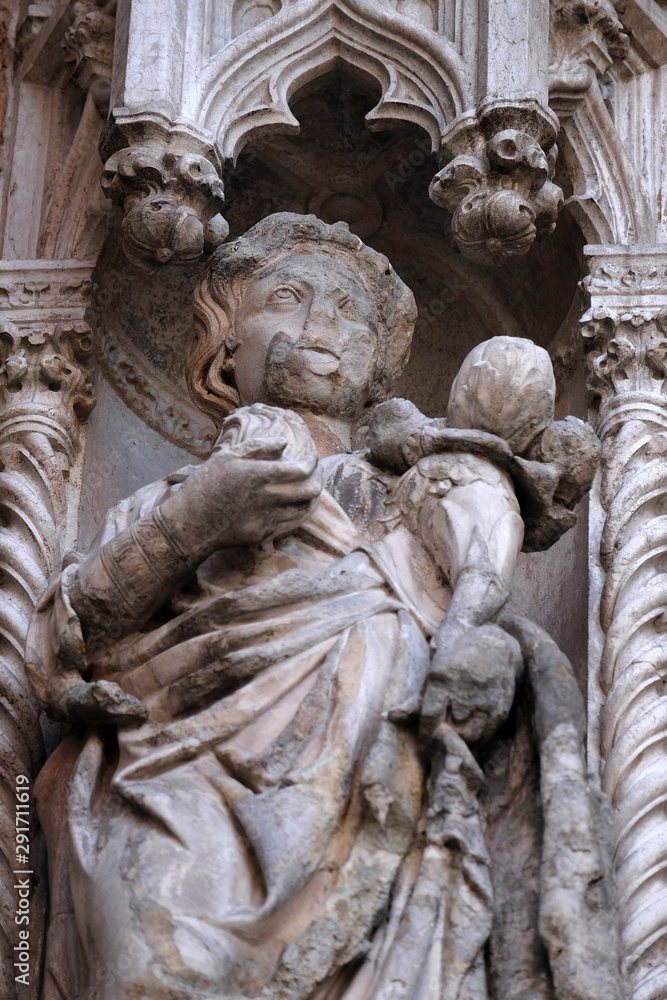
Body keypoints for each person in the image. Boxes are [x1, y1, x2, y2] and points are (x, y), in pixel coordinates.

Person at [26, 214, 621, 1000]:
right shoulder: (169, 498)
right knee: (151, 971)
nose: (320, 324)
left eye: (348, 312)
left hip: (374, 758)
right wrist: (196, 521)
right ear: (223, 348)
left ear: (379, 365)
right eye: (287, 297)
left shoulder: (413, 484)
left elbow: (478, 586)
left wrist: (481, 643)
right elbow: (63, 640)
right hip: (174, 767)